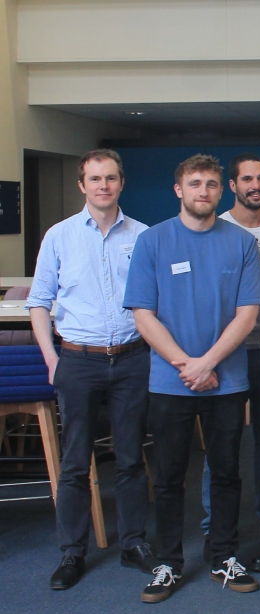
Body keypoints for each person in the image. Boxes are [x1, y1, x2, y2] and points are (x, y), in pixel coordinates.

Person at [124, 154, 260, 602]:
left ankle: (223, 555)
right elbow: (143, 315)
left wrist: (208, 363)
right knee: (168, 477)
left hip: (227, 380)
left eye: (211, 184)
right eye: (195, 183)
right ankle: (168, 562)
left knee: (226, 472)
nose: (203, 191)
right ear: (178, 190)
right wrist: (187, 364)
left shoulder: (241, 242)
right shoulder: (152, 241)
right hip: (171, 382)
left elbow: (247, 315)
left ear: (222, 191)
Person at [28, 149, 157, 590]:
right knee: (74, 461)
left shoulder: (143, 236)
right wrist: (52, 359)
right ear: (82, 185)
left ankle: (133, 543)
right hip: (77, 359)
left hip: (132, 358)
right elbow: (39, 302)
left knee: (131, 458)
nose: (104, 186)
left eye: (111, 178)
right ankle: (72, 551)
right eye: (96, 179)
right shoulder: (59, 236)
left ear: (121, 183)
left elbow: (154, 300)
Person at [196, 153, 260, 572]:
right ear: (233, 186)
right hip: (228, 351)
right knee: (222, 444)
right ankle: (213, 528)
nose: (256, 185)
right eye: (247, 179)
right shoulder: (217, 228)